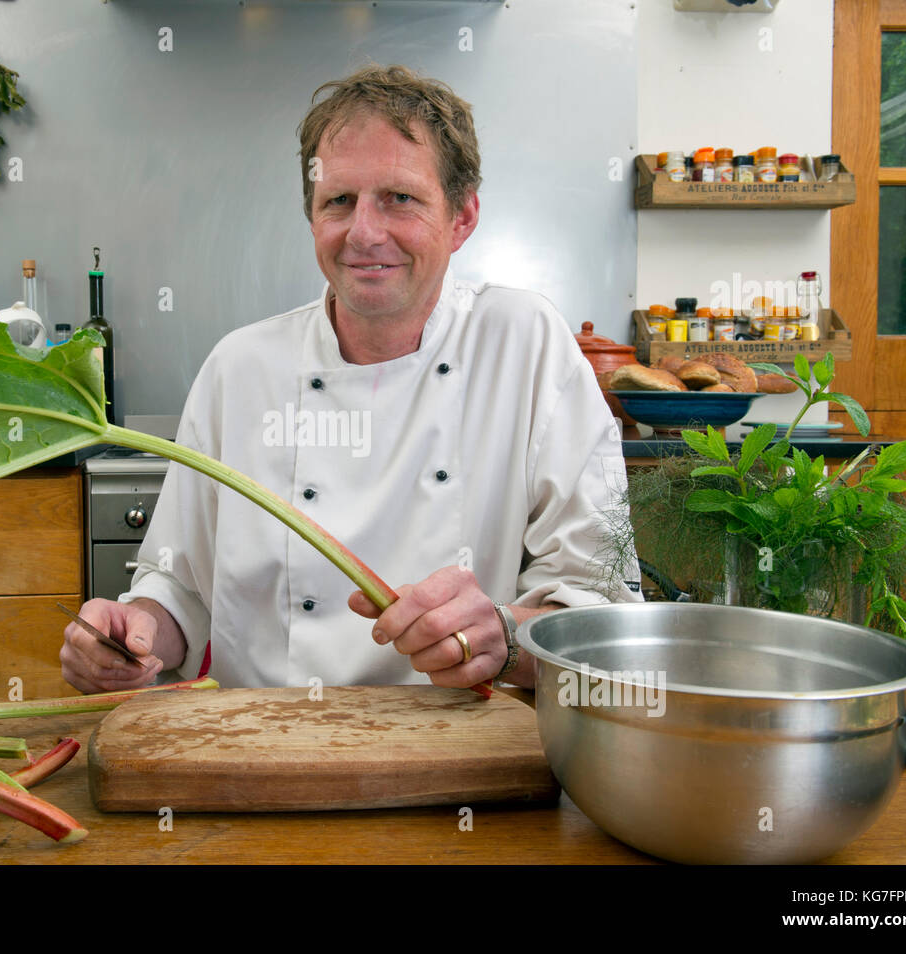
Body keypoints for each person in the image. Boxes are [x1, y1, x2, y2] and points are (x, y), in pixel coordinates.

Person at [61, 64, 640, 695]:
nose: (364, 233)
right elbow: (178, 592)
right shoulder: (240, 368)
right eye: (339, 201)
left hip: (463, 754)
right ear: (312, 216)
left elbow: (600, 613)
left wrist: (503, 639)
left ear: (463, 217)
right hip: (266, 751)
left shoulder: (525, 345)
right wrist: (133, 635)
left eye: (400, 198)